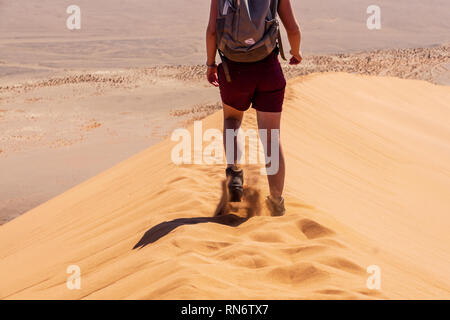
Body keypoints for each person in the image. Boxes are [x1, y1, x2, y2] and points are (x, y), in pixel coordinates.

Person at [205, 0, 302, 216]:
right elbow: (293, 29)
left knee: (232, 121)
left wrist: (211, 63)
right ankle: (276, 202)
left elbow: (212, 31)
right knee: (271, 137)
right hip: (268, 70)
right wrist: (296, 52)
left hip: (234, 71)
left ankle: (235, 172)